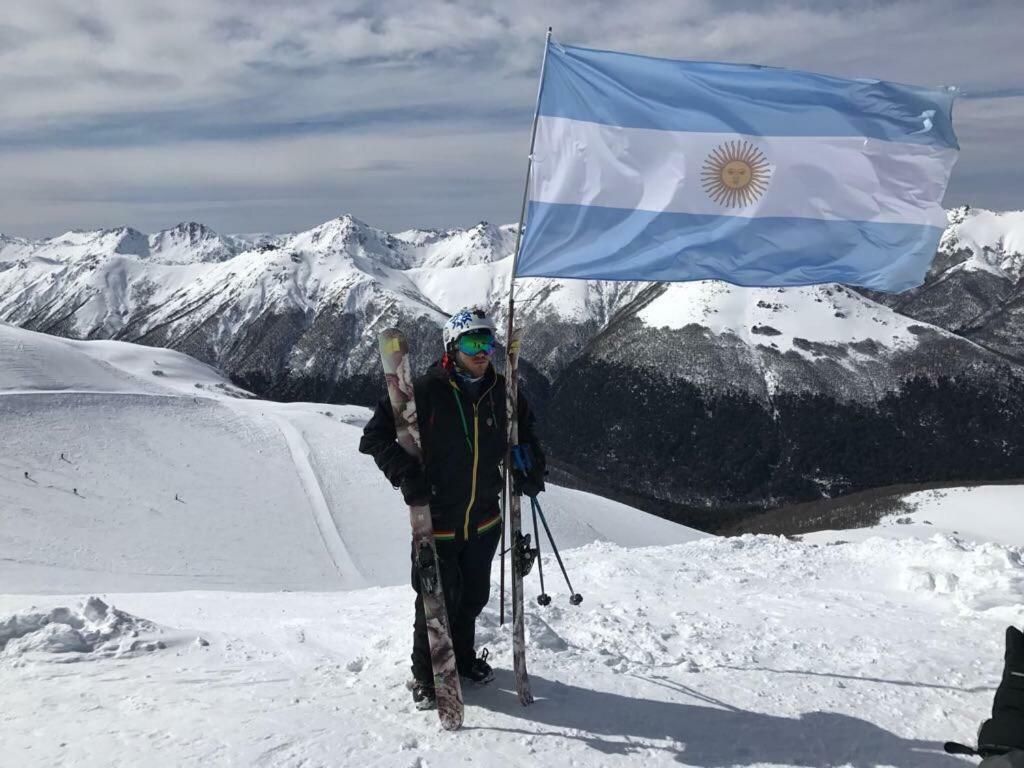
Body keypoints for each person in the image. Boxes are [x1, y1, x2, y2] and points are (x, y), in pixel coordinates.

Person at [359, 307, 546, 710]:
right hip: (438, 519)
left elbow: (524, 433)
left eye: (488, 342)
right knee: (434, 602)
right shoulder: (423, 391)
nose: (483, 352)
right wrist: (406, 475)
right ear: (452, 346)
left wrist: (531, 468)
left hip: (484, 518)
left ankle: (459, 660)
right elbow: (374, 438)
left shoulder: (503, 390)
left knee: (473, 596)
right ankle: (427, 676)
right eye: (472, 343)